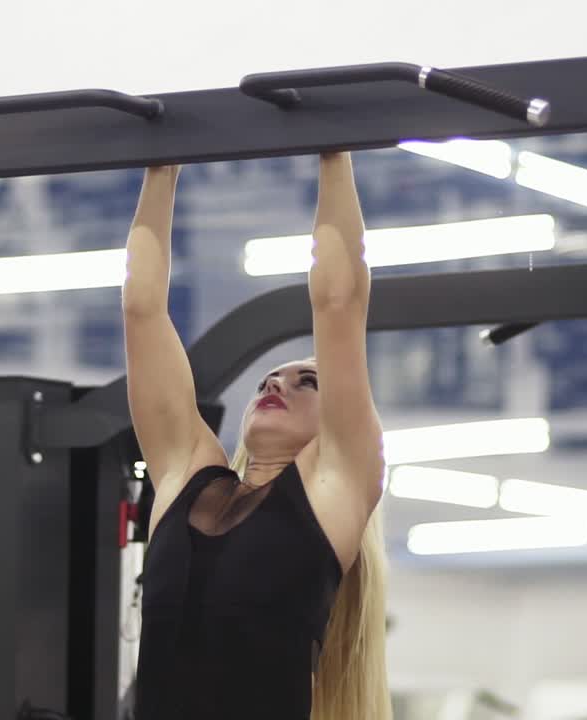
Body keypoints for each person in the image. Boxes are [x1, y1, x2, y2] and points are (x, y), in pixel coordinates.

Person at [121, 154, 391, 720]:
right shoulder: (187, 476)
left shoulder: (333, 491)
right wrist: (160, 168)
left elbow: (338, 302)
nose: (277, 381)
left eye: (307, 381)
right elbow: (142, 309)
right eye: (271, 378)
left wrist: (333, 152)